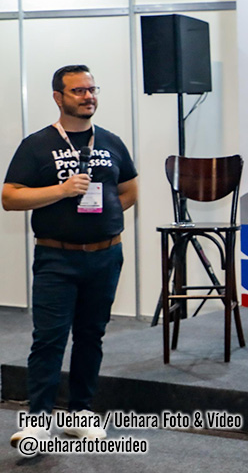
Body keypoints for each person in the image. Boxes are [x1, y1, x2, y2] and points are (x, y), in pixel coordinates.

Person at [4, 65, 138, 452]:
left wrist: (101, 219)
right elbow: (10, 197)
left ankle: (80, 414)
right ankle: (38, 422)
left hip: (105, 257)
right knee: (49, 339)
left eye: (92, 89)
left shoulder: (111, 141)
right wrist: (62, 191)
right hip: (56, 259)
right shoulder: (37, 145)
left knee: (91, 336)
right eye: (78, 90)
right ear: (58, 97)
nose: (88, 96)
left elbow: (129, 190)